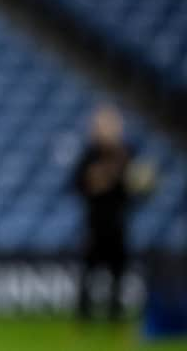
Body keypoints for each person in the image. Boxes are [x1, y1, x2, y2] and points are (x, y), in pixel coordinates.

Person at [72, 104, 153, 321]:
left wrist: (145, 184)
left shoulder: (129, 152)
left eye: (112, 125)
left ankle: (115, 314)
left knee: (118, 271)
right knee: (89, 271)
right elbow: (79, 184)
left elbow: (141, 187)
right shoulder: (90, 154)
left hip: (118, 222)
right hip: (94, 222)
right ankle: (84, 314)